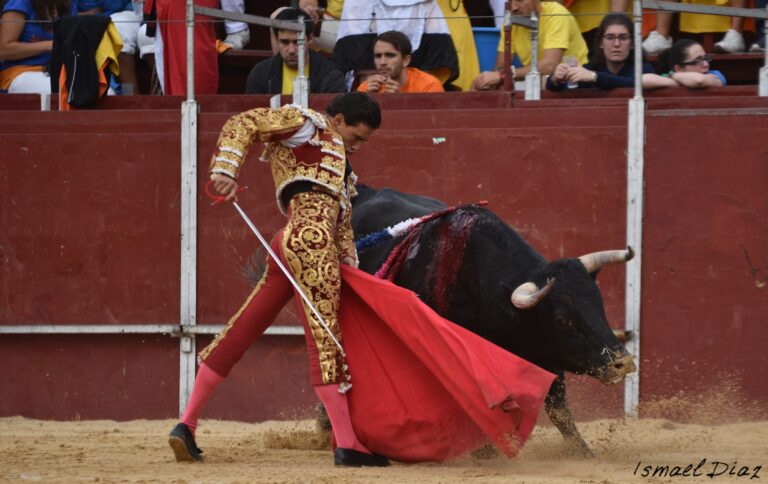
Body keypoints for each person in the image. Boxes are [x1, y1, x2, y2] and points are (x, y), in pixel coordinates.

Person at [168, 92, 387, 467]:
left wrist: (348, 256)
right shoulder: (306, 126)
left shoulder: (341, 165)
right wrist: (225, 169)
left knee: (242, 329)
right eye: (357, 136)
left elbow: (341, 219)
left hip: (289, 242)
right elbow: (245, 122)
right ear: (337, 119)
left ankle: (186, 424)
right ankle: (347, 443)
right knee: (326, 337)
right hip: (310, 241)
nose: (359, 145)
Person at [471, 0, 588, 90]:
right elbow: (500, 66)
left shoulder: (556, 14)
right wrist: (490, 80)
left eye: (520, 0)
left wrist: (503, 76)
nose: (513, 8)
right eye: (510, 1)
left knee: (533, 83)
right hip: (538, 81)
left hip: (573, 81)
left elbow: (549, 66)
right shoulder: (512, 21)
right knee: (479, 85)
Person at [245, 7, 345, 95]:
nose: (291, 50)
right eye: (285, 42)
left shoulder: (331, 76)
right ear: (276, 40)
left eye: (298, 42)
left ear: (310, 39)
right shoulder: (261, 73)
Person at [547, 13, 657, 91]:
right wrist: (555, 78)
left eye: (623, 38)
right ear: (601, 43)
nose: (616, 44)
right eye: (610, 38)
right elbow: (565, 90)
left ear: (632, 43)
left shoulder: (644, 69)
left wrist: (595, 77)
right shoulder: (592, 68)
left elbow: (632, 83)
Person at [0, 0, 77, 93]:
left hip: (58, 71)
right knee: (63, 89)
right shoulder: (20, 3)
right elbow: (3, 50)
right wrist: (49, 45)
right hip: (20, 72)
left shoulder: (69, 5)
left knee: (88, 88)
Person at [357, 30, 444, 93]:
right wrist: (368, 100)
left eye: (390, 55)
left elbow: (434, 118)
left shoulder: (428, 85)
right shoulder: (367, 88)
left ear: (406, 60)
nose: (382, 62)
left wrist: (401, 101)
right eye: (378, 56)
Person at [644, 38, 727, 88]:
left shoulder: (716, 75)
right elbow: (643, 80)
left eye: (705, 58)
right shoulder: (672, 77)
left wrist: (673, 76)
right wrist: (684, 81)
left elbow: (699, 80)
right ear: (679, 69)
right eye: (698, 61)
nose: (706, 64)